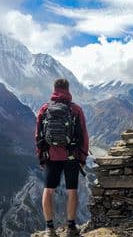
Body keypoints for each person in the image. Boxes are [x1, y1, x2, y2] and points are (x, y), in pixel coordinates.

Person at [35, 79, 89, 237]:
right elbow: (84, 135)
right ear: (68, 89)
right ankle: (71, 227)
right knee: (72, 191)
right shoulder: (75, 109)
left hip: (51, 156)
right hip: (71, 156)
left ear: (54, 89)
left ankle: (49, 229)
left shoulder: (45, 109)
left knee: (48, 190)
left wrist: (41, 156)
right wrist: (83, 158)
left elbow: (38, 135)